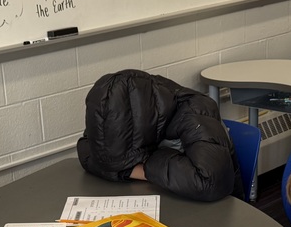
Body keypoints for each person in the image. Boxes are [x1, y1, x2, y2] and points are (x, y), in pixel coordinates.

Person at [77, 69, 245, 202]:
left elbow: (209, 181)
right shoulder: (123, 113)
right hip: (170, 199)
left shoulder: (195, 112)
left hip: (223, 213)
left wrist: (144, 165)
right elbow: (87, 151)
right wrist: (132, 168)